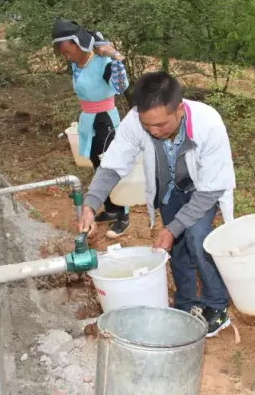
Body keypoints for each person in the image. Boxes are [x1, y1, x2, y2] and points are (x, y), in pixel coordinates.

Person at [78, 71, 236, 336]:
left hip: (202, 190)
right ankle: (186, 303)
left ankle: (217, 305)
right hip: (170, 189)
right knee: (176, 248)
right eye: (147, 125)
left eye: (161, 125)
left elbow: (210, 191)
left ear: (179, 110)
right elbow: (113, 165)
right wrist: (90, 204)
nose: (153, 131)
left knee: (198, 238)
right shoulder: (135, 122)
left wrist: (173, 228)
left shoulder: (208, 124)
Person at [53, 19, 130, 238]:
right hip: (89, 119)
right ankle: (111, 208)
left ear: (79, 44)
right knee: (98, 165)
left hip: (105, 119)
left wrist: (115, 56)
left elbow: (121, 87)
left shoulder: (103, 62)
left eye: (69, 51)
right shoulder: (76, 63)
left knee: (111, 165)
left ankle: (124, 214)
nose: (68, 57)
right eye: (64, 54)